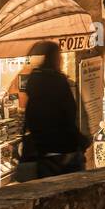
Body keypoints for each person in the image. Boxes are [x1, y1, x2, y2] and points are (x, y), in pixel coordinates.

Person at [19, 41, 90, 180]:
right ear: (56, 59)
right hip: (64, 151)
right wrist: (81, 141)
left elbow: (31, 118)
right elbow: (68, 116)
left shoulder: (34, 84)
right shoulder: (59, 82)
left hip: (43, 153)